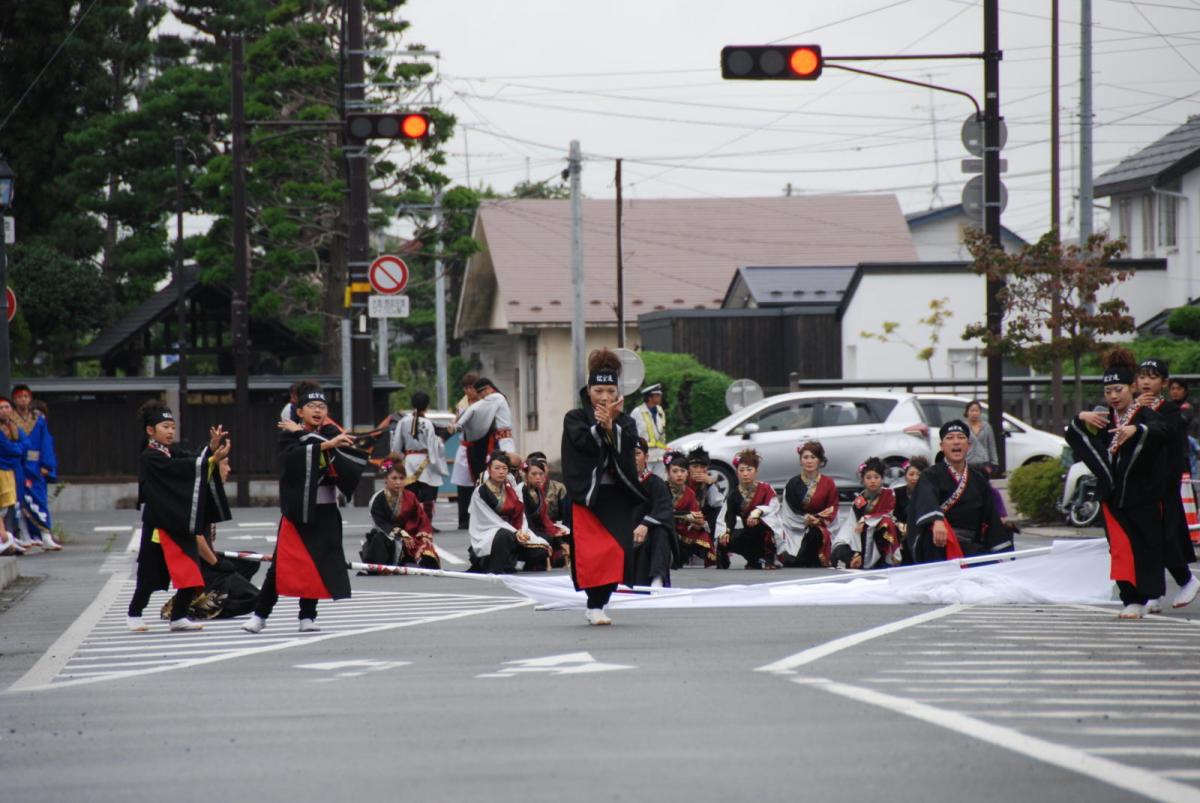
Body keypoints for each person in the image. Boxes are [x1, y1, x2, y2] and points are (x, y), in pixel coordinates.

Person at [243, 385, 368, 634]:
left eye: (322, 407)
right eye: (311, 406)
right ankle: (260, 615)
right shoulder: (288, 435)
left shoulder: (326, 432)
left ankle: (307, 616)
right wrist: (321, 442)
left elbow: (344, 450)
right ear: (300, 411)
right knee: (280, 565)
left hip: (326, 508)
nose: (317, 411)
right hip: (298, 510)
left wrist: (309, 436)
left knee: (317, 565)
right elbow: (292, 460)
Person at [1066, 349, 1173, 618]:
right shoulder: (1103, 418)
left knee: (1146, 546)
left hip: (1143, 495)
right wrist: (1080, 417)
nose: (1113, 396)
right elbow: (1077, 436)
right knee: (1121, 549)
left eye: (1118, 390)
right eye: (1108, 391)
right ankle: (1131, 599)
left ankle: (1148, 595)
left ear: (1132, 387)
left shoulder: (1144, 414)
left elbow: (1163, 431)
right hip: (1113, 496)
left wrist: (1136, 429)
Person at [128, 401, 232, 632]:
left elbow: (190, 459)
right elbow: (179, 469)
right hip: (159, 524)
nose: (170, 431)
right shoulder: (150, 456)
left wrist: (211, 448)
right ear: (150, 430)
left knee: (191, 572)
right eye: (165, 427)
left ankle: (178, 616)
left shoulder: (168, 452)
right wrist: (210, 460)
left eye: (173, 427)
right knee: (149, 575)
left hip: (177, 521)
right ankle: (134, 613)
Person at [560, 348, 646, 625]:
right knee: (594, 555)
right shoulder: (574, 418)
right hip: (589, 496)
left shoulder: (627, 422)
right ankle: (594, 605)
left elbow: (629, 450)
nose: (605, 396)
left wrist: (612, 427)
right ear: (588, 391)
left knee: (616, 553)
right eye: (598, 391)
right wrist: (601, 428)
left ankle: (601, 603)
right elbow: (583, 445)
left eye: (610, 390)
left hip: (617, 496)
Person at [1135, 358, 1199, 610]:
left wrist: (1144, 412)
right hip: (1141, 484)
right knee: (1147, 539)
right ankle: (1155, 592)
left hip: (1164, 483)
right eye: (1142, 377)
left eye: (1152, 377)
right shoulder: (1134, 408)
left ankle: (1186, 580)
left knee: (1166, 536)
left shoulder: (1171, 410)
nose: (1146, 382)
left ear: (1163, 382)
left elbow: (1166, 433)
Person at [911, 420, 1012, 565]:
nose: (956, 442)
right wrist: (937, 520)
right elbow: (926, 499)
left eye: (961, 437)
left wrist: (999, 547)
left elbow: (990, 515)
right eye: (950, 438)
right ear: (942, 446)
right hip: (939, 543)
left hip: (971, 544)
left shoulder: (978, 479)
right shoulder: (930, 475)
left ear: (968, 445)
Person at [468, 450, 550, 573]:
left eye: (504, 468)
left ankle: (511, 559)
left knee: (541, 551)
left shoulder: (511, 490)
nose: (501, 472)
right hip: (489, 533)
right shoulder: (481, 491)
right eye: (497, 468)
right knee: (504, 535)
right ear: (489, 470)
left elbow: (520, 514)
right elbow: (491, 519)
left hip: (512, 531)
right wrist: (515, 532)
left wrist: (522, 531)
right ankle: (495, 566)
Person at [366, 456, 440, 570]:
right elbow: (381, 524)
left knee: (427, 553)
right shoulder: (377, 499)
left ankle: (413, 560)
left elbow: (421, 519)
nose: (398, 482)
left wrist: (422, 535)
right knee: (380, 540)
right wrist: (401, 534)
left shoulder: (410, 496)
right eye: (394, 478)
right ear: (385, 478)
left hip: (409, 536)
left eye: (401, 478)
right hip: (387, 536)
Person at [11, 385, 61, 551]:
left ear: (30, 398)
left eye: (26, 397)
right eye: (20, 397)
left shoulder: (38, 419)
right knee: (19, 501)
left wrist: (47, 465)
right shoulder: (10, 419)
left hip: (36, 465)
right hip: (18, 464)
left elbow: (46, 442)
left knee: (39, 499)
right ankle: (24, 535)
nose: (23, 400)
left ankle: (45, 535)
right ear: (14, 399)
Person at [715, 448, 782, 570]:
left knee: (767, 532)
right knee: (725, 537)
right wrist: (726, 531)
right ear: (737, 473)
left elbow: (773, 508)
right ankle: (730, 559)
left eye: (749, 470)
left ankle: (769, 558)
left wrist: (758, 512)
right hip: (747, 532)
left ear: (756, 471)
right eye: (742, 470)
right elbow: (728, 517)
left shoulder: (766, 489)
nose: (745, 474)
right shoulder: (734, 494)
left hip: (764, 531)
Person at [831, 457, 902, 570]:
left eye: (876, 477)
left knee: (886, 523)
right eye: (868, 478)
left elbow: (888, 514)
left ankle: (885, 560)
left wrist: (866, 519)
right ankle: (857, 557)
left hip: (883, 532)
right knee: (840, 550)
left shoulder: (890, 494)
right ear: (863, 480)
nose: (872, 481)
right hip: (861, 536)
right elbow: (853, 525)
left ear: (882, 479)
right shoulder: (859, 501)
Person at [778, 440, 839, 568]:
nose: (809, 461)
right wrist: (805, 519)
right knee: (790, 560)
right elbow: (789, 511)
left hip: (819, 526)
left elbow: (832, 507)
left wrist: (819, 520)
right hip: (796, 528)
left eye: (813, 457)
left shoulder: (828, 483)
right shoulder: (792, 483)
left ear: (819, 461)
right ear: (800, 461)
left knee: (815, 534)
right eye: (805, 457)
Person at [390, 391, 447, 527]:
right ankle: (426, 524)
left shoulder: (403, 422)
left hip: (409, 460)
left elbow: (396, 444)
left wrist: (396, 458)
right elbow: (433, 445)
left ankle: (411, 522)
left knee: (410, 493)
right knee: (428, 495)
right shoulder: (428, 423)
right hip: (426, 461)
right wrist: (438, 455)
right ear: (427, 406)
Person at [456, 377, 516, 491]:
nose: (480, 396)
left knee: (499, 472)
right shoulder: (498, 398)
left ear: (488, 389)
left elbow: (474, 409)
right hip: (502, 439)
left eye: (480, 392)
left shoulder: (495, 397)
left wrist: (458, 424)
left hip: (501, 441)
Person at [632, 437, 674, 588]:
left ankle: (657, 579)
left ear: (646, 457)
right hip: (624, 534)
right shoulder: (618, 482)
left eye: (637, 453)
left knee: (661, 532)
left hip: (647, 536)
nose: (633, 458)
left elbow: (664, 509)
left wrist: (645, 524)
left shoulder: (656, 483)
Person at [519, 454, 571, 568]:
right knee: (549, 539)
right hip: (525, 528)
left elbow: (545, 518)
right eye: (534, 474)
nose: (538, 477)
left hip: (542, 525)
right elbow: (525, 520)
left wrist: (555, 531)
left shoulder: (539, 490)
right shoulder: (521, 491)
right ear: (526, 474)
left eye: (541, 474)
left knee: (566, 533)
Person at [664, 450, 714, 567]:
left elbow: (696, 511)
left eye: (683, 471)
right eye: (675, 471)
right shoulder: (662, 488)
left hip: (683, 529)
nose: (679, 475)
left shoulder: (690, 493)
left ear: (687, 473)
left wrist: (698, 521)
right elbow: (662, 511)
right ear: (668, 472)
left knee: (701, 533)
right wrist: (686, 515)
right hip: (666, 526)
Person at [450, 372, 481, 529]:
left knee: (480, 484)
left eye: (472, 387)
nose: (469, 391)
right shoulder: (462, 405)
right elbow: (456, 424)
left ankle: (479, 519)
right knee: (463, 486)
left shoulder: (484, 403)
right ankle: (463, 520)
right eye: (466, 388)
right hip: (465, 447)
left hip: (481, 447)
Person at [0, 398, 28, 556]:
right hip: (2, 469)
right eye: (1, 408)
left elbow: (25, 444)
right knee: (3, 505)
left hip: (13, 469)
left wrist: (18, 448)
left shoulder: (14, 427)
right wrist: (18, 448)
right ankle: (4, 538)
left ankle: (11, 536)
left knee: (13, 504)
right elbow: (10, 449)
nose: (4, 410)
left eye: (7, 407)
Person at [892, 455, 929, 564]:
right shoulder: (896, 493)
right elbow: (890, 515)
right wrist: (898, 524)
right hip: (902, 533)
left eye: (919, 474)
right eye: (911, 474)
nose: (915, 478)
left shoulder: (929, 493)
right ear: (905, 476)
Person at [630, 384, 669, 479]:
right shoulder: (637, 412)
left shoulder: (660, 410)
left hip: (659, 455)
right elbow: (631, 433)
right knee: (644, 481)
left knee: (661, 481)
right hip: (645, 455)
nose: (660, 397)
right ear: (650, 397)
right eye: (657, 395)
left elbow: (661, 433)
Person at [686, 447, 724, 538]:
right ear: (688, 468)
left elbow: (718, 504)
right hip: (685, 518)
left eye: (702, 467)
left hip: (703, 521)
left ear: (707, 469)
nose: (699, 470)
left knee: (718, 511)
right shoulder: (682, 480)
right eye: (695, 467)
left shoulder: (709, 482)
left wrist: (710, 484)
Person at [964, 399, 999, 476]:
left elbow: (992, 446)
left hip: (984, 463)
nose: (974, 413)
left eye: (977, 411)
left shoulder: (987, 427)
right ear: (967, 412)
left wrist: (994, 463)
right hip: (967, 463)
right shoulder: (963, 427)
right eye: (972, 411)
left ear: (980, 412)